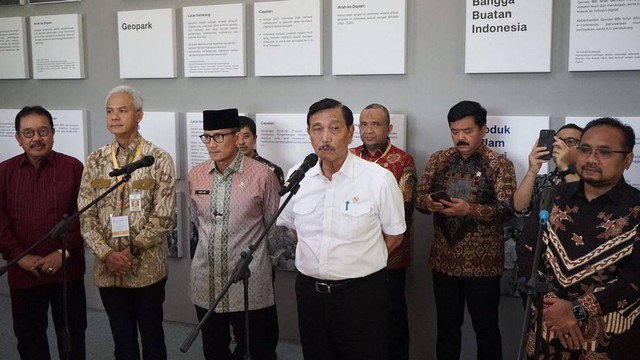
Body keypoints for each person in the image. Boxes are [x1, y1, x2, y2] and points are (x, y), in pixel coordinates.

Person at [277, 98, 406, 360]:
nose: (325, 138)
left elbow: (394, 236)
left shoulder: (378, 179)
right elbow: (294, 229)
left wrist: (354, 262)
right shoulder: (299, 177)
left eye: (334, 128)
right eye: (317, 129)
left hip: (361, 295)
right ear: (309, 133)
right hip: (310, 294)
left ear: (350, 132)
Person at [518, 117, 640, 360]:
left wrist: (576, 311)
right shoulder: (553, 195)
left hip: (607, 340)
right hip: (547, 330)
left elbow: (634, 277)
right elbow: (527, 250)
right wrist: (554, 310)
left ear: (627, 160)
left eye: (604, 152)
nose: (592, 159)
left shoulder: (635, 208)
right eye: (585, 149)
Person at [78, 86, 176, 360]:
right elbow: (85, 214)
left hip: (146, 268)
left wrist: (129, 251)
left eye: (122, 110)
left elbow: (164, 216)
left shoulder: (158, 159)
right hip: (108, 270)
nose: (114, 117)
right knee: (122, 342)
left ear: (139, 115)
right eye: (109, 111)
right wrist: (107, 254)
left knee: (152, 339)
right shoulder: (96, 159)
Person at [415, 100, 516, 360]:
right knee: (447, 329)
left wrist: (468, 210)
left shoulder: (500, 164)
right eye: (454, 131)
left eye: (467, 131)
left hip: (482, 264)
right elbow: (418, 198)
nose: (460, 137)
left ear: (483, 129)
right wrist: (428, 202)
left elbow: (507, 210)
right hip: (443, 260)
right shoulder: (438, 159)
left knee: (486, 329)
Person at [188, 109, 280, 360]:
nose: (211, 144)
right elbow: (198, 222)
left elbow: (272, 228)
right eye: (206, 137)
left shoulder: (262, 175)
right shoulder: (196, 176)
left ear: (237, 136)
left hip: (249, 283)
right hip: (206, 279)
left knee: (257, 348)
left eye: (219, 137)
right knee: (214, 348)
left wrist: (266, 266)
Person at [0, 106, 87, 360]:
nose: (36, 138)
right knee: (29, 340)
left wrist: (62, 252)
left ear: (53, 133)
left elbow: (82, 216)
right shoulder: (3, 173)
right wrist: (19, 256)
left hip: (66, 273)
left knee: (72, 338)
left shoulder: (73, 168)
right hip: (23, 272)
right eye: (28, 132)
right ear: (18, 138)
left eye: (43, 131)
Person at [350, 103, 417, 360]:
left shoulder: (402, 160)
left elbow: (404, 211)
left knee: (392, 320)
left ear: (389, 128)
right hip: (354, 256)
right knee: (358, 321)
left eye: (375, 124)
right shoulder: (350, 156)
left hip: (391, 256)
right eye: (364, 124)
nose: (368, 130)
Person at [511, 123, 583, 214]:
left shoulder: (591, 180)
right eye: (558, 141)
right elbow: (519, 208)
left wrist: (565, 167)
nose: (562, 146)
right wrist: (532, 171)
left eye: (570, 141)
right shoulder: (542, 181)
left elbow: (586, 205)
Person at [237, 115, 285, 185]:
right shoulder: (224, 169)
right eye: (237, 137)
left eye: (246, 136)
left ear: (254, 139)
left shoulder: (272, 170)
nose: (241, 142)